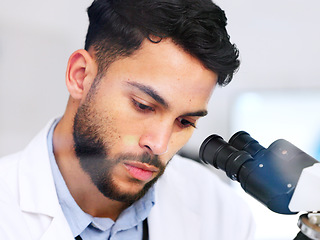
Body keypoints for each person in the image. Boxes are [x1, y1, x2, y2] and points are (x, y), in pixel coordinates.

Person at [0, 0, 255, 239]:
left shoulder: (223, 215)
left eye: (185, 122)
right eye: (143, 106)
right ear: (80, 76)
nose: (160, 145)